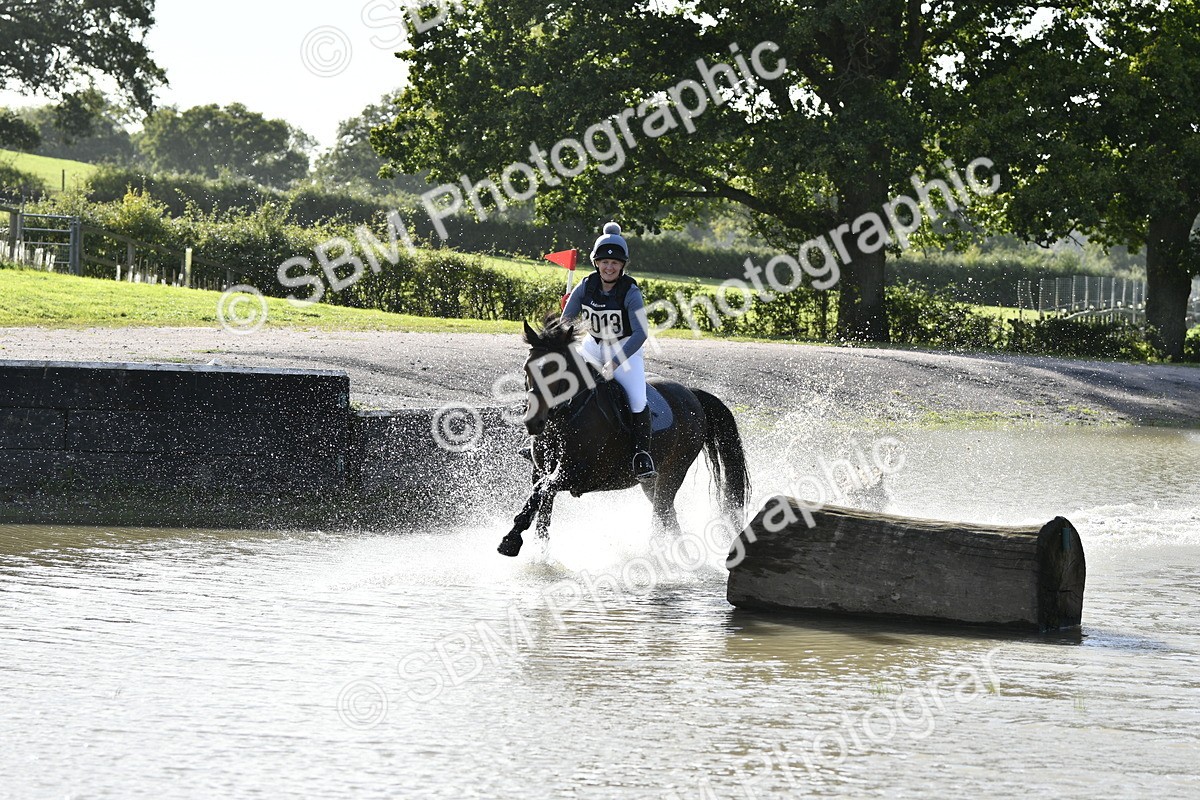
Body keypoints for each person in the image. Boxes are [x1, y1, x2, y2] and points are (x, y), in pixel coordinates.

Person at [559, 222, 657, 482]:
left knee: (637, 399)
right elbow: (566, 322)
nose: (609, 267)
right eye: (604, 262)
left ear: (623, 265)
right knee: (560, 379)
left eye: (615, 263)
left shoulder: (630, 291)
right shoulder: (585, 286)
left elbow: (641, 333)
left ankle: (641, 455)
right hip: (592, 345)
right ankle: (546, 440)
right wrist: (564, 319)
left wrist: (615, 362)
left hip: (624, 348)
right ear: (596, 263)